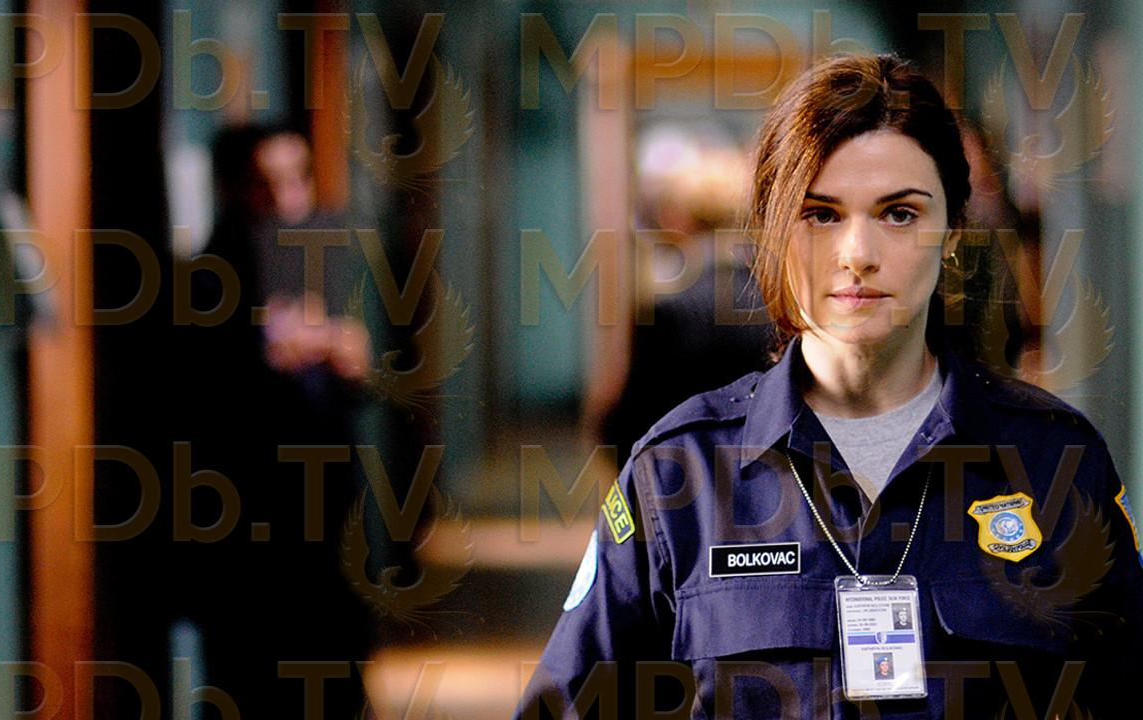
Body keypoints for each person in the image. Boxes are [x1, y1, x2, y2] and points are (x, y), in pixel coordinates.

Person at [514, 54, 1143, 719]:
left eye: (899, 214)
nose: (857, 254)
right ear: (773, 230)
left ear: (952, 232)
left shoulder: (1055, 463)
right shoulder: (678, 475)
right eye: (820, 214)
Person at [180, 124, 371, 716]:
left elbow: (347, 382)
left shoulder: (319, 251)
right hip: (250, 529)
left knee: (335, 666)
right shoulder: (210, 276)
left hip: (325, 514)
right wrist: (273, 350)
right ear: (235, 189)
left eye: (299, 178)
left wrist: (346, 359)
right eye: (268, 183)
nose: (288, 197)